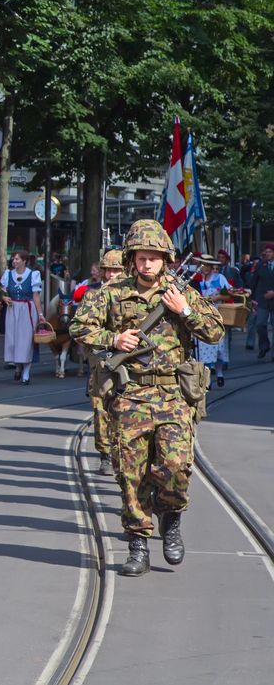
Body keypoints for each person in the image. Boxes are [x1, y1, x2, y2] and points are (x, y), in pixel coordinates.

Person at [70, 219, 224, 576]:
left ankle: (171, 520)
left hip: (172, 395)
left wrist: (184, 309)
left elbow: (215, 331)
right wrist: (113, 340)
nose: (148, 264)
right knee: (131, 475)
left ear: (166, 259)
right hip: (131, 395)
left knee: (175, 467)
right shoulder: (111, 292)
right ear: (132, 258)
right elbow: (79, 326)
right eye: (141, 257)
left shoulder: (179, 292)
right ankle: (137, 544)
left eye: (154, 257)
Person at [72, 249, 124, 476]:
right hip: (101, 357)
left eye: (117, 270)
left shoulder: (133, 293)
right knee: (101, 408)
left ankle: (123, 454)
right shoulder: (92, 293)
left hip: (130, 358)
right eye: (109, 270)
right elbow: (78, 328)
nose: (112, 274)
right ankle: (105, 454)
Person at [1, 250, 45, 384]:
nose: (14, 261)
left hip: (27, 309)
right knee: (13, 340)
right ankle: (18, 367)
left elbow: (36, 296)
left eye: (17, 259)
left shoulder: (33, 275)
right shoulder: (8, 274)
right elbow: (2, 290)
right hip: (13, 309)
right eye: (13, 259)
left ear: (24, 261)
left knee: (25, 342)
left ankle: (26, 373)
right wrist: (3, 297)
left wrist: (40, 314)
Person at [191, 258, 231, 386]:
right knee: (204, 348)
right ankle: (207, 379)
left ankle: (219, 373)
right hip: (202, 315)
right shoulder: (195, 279)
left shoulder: (219, 278)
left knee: (219, 347)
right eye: (203, 265)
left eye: (208, 265)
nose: (206, 268)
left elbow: (230, 294)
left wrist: (218, 297)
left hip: (217, 314)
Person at [248, 244, 274, 359]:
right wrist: (251, 298)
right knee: (260, 324)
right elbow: (254, 282)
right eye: (266, 251)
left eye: (270, 252)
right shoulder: (260, 265)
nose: (267, 254)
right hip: (262, 300)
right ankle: (264, 346)